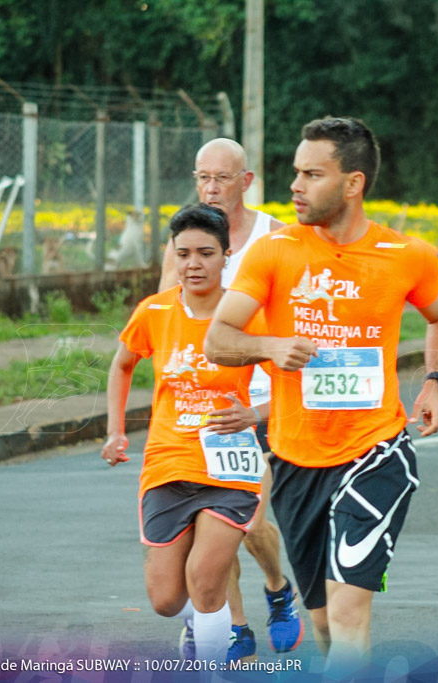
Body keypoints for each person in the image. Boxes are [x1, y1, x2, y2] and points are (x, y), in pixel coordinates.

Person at [204, 116, 438, 675]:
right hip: (296, 459)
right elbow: (218, 340)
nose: (294, 186)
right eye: (295, 172)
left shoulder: (405, 255)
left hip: (375, 450)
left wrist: (436, 382)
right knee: (321, 621)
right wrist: (270, 345)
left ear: (353, 183)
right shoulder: (275, 253)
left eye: (311, 174)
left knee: (347, 617)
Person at [158, 139, 303, 661]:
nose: (211, 188)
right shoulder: (185, 242)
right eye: (202, 177)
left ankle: (277, 587)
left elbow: (295, 326)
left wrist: (271, 400)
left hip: (262, 402)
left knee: (252, 524)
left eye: (221, 178)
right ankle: (234, 622)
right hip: (205, 406)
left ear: (246, 182)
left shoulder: (279, 239)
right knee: (210, 529)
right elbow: (166, 319)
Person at [101, 205, 264, 665]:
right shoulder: (153, 311)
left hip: (228, 465)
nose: (193, 264)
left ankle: (210, 665)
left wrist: (254, 414)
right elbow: (123, 364)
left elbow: (297, 386)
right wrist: (115, 431)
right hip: (168, 463)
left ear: (227, 255)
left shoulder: (247, 314)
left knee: (207, 580)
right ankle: (197, 624)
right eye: (184, 253)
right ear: (172, 256)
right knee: (166, 599)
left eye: (206, 253)